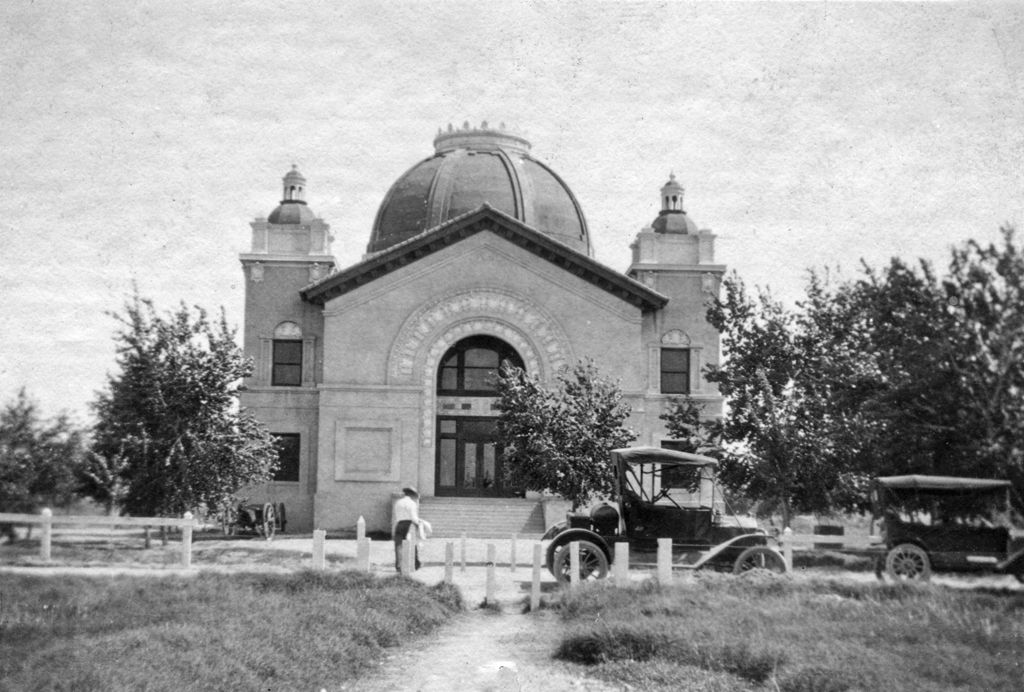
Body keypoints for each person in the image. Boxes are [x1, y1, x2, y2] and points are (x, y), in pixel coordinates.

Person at [393, 486, 423, 572]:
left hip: (399, 524)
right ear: (412, 495)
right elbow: (413, 517)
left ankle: (399, 565)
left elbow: (396, 515)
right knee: (412, 544)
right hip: (409, 524)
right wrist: (418, 524)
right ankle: (415, 564)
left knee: (398, 545)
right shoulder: (411, 503)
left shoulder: (398, 502)